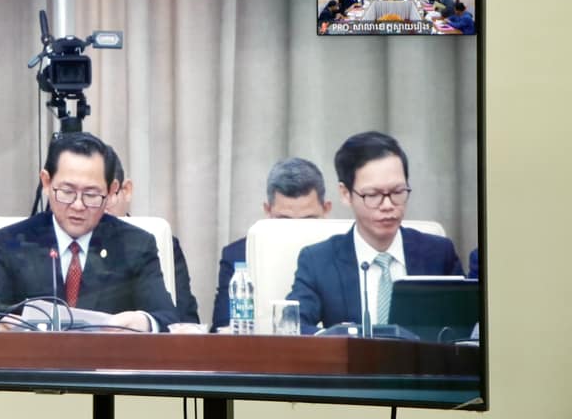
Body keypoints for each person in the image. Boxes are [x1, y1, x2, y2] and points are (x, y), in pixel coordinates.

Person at [0, 132, 177, 331]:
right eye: (67, 192)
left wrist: (143, 321)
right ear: (47, 182)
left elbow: (167, 318)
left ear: (111, 191)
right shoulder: (11, 241)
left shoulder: (135, 245)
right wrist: (0, 322)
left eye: (91, 194)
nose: (78, 205)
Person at [286, 132, 463, 334]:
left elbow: (467, 327)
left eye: (398, 192)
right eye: (373, 195)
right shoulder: (318, 261)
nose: (387, 205)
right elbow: (293, 325)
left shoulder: (438, 254)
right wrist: (335, 338)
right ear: (346, 194)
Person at [211, 157, 332, 331]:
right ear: (267, 210)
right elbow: (223, 328)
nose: (295, 230)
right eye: (284, 220)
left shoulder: (344, 253)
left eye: (307, 220)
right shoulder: (240, 255)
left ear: (326, 209)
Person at [104, 152, 200, 324]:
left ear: (126, 190)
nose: (97, 206)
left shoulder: (153, 243)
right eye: (90, 194)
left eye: (108, 195)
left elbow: (185, 322)